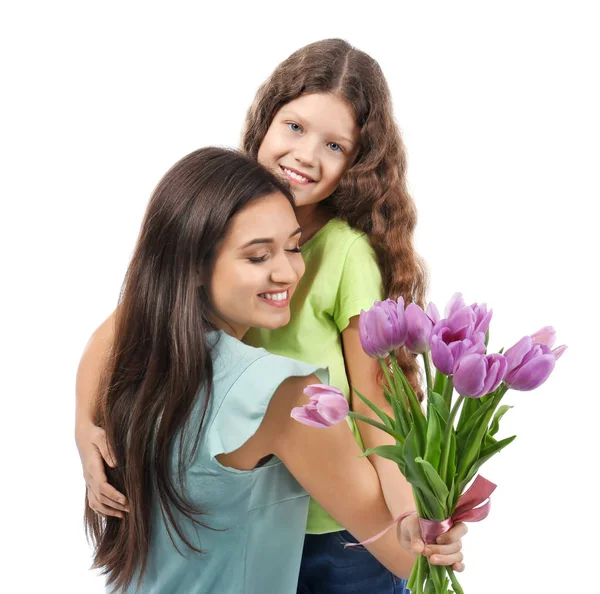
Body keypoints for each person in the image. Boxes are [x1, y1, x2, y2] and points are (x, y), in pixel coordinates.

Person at [76, 40, 449, 593]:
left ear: (358, 163)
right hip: (254, 490)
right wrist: (87, 430)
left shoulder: (345, 255)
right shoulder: (219, 211)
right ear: (265, 120)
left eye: (334, 145)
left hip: (335, 517)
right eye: (294, 128)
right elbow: (124, 326)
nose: (305, 155)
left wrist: (406, 516)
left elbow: (375, 403)